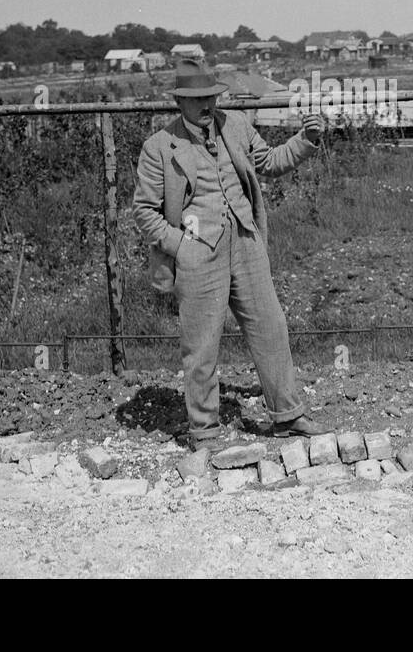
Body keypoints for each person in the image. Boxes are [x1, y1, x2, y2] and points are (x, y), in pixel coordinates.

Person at [131, 59, 329, 447]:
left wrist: (306, 140)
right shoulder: (158, 147)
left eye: (211, 96)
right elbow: (144, 211)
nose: (207, 105)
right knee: (202, 343)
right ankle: (204, 431)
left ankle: (287, 414)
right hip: (198, 251)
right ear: (179, 103)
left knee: (271, 327)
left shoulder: (235, 125)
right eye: (197, 99)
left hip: (246, 242)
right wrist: (180, 247)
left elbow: (269, 162)